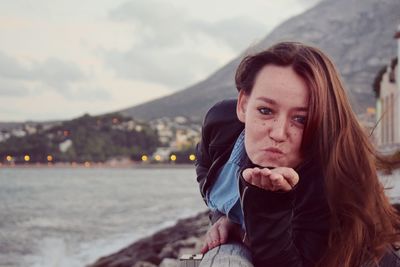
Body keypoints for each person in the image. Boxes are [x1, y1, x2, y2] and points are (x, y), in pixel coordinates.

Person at [195, 41, 400, 267]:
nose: (279, 133)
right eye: (265, 111)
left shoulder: (329, 184)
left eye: (300, 119)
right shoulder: (219, 125)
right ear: (243, 104)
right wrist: (227, 217)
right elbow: (206, 169)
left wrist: (269, 203)